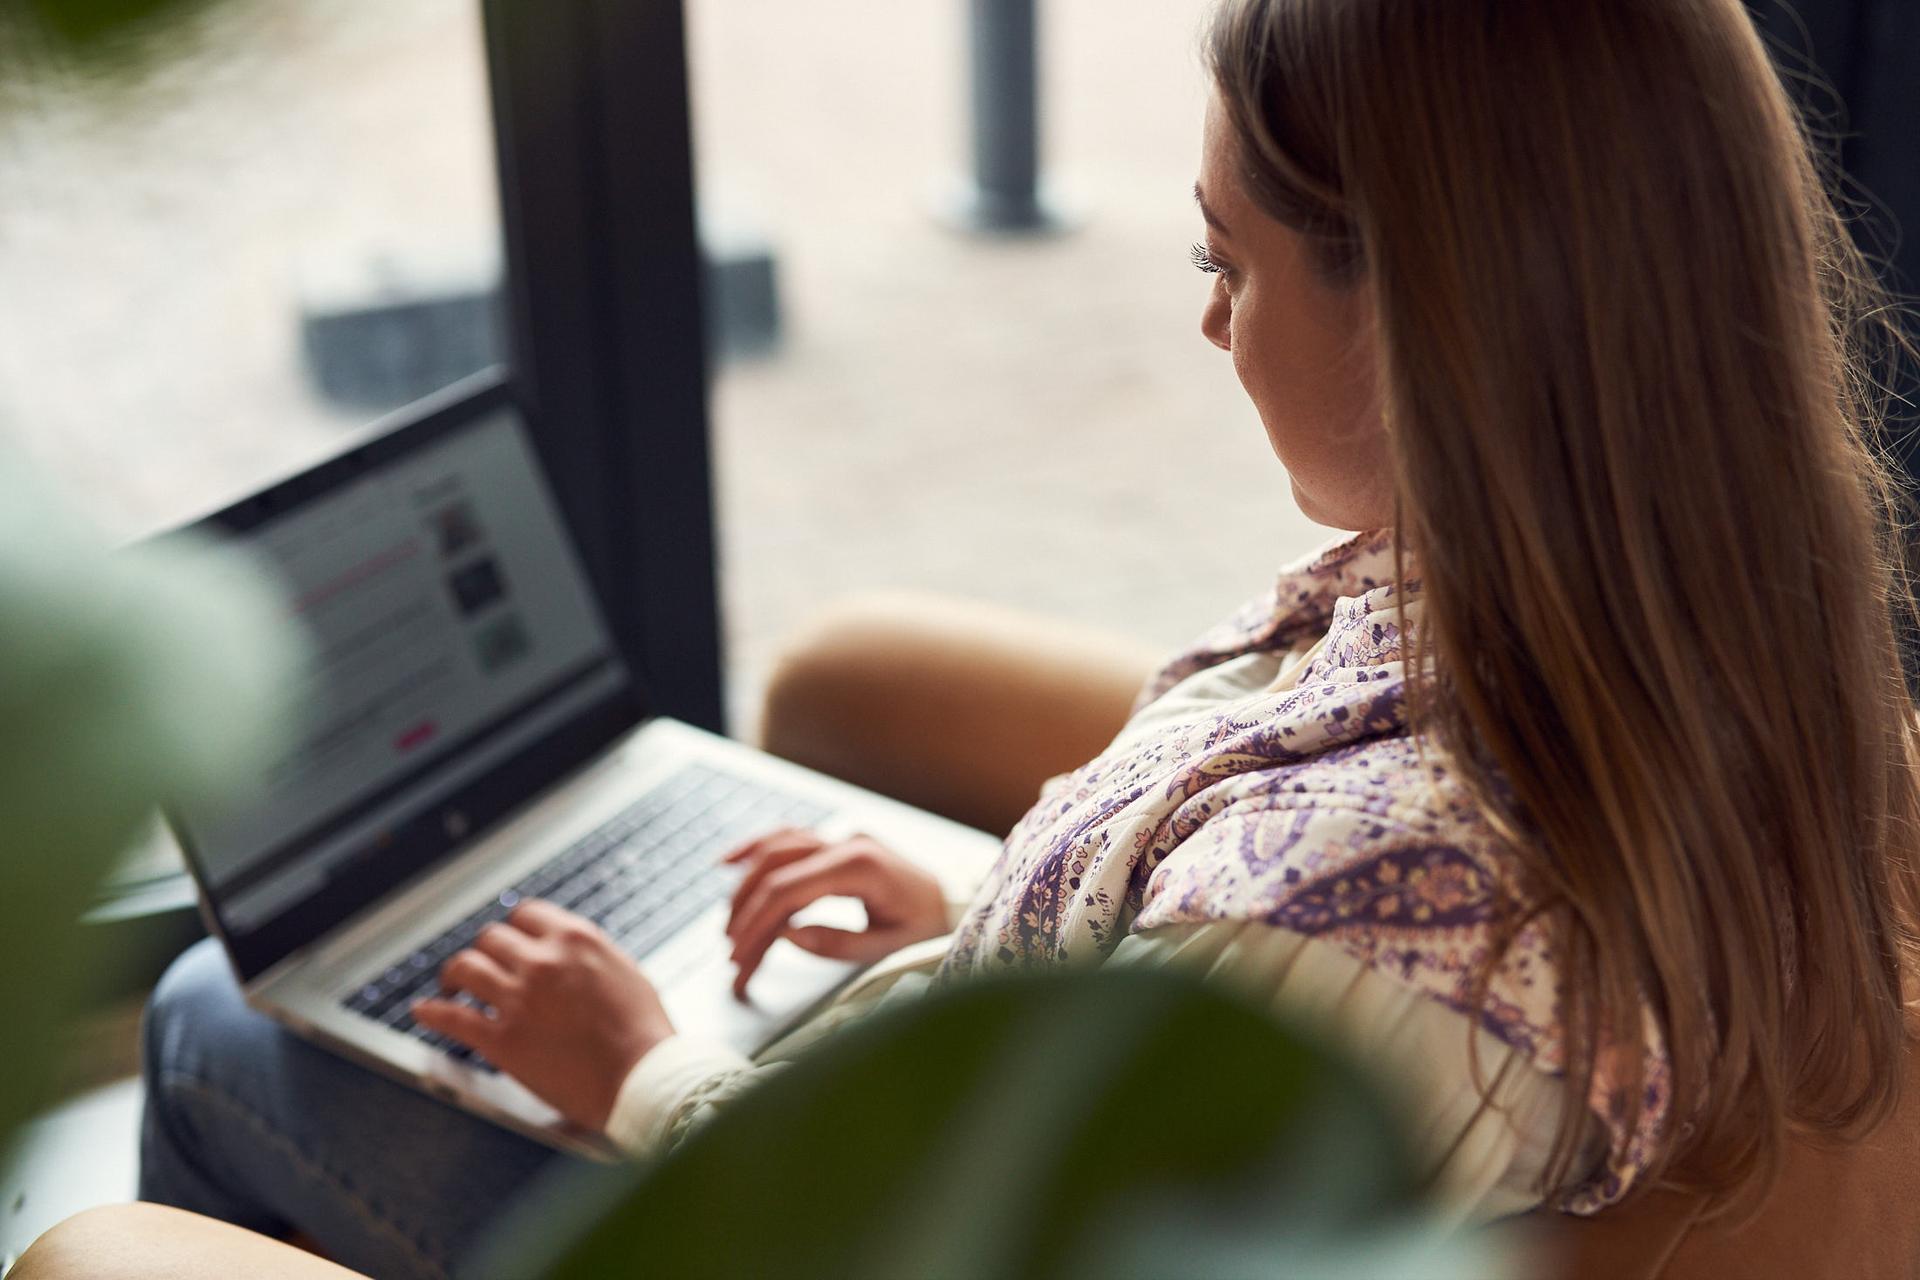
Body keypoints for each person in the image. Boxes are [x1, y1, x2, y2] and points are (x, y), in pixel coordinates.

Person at [29, 0, 1920, 1275]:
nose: (1211, 328)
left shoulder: (1377, 936)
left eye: (1224, 264)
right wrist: (1018, 949)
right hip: (1005, 1070)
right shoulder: (1672, 591)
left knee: (207, 1028)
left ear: (1446, 323)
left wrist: (638, 1076)